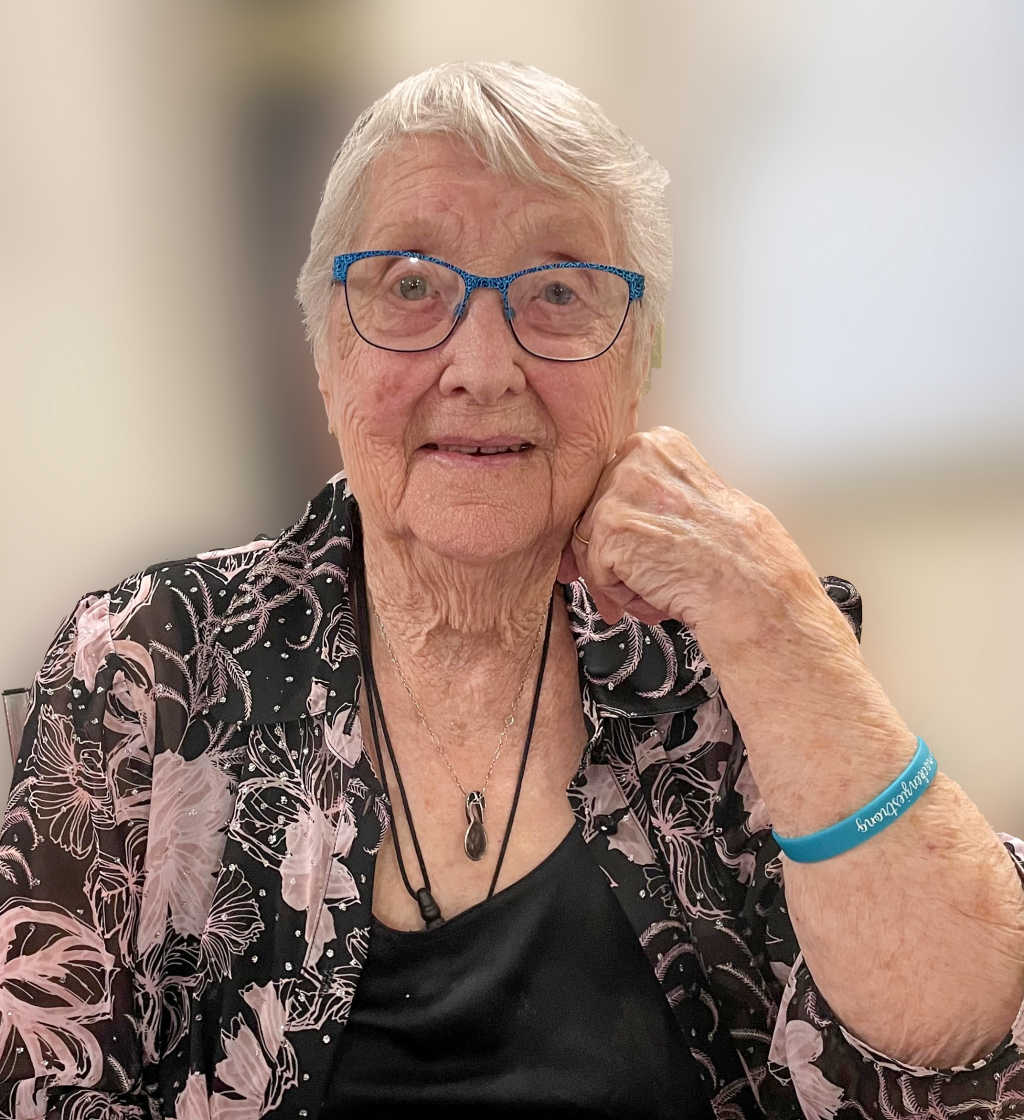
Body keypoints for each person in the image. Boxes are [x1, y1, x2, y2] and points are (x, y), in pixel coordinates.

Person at [1, 60, 1022, 1120]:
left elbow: (970, 1063)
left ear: (637, 364)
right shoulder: (153, 660)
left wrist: (771, 609)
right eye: (410, 286)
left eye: (559, 292)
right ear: (325, 355)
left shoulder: (724, 659)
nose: (483, 367)